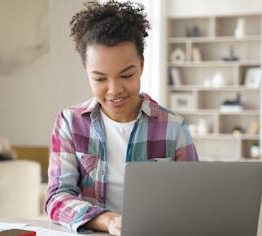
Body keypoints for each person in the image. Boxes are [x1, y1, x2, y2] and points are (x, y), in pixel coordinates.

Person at [45, 1, 199, 235]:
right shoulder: (69, 123)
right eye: (100, 79)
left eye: (127, 75)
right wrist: (108, 221)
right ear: (86, 70)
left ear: (141, 65)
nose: (114, 90)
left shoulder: (174, 127)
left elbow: (194, 199)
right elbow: (56, 199)